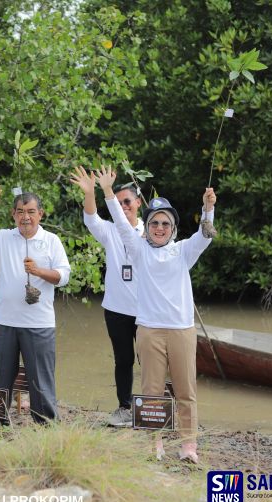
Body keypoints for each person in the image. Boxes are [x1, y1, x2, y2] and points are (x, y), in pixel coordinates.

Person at [99, 166, 216, 463]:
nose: (160, 228)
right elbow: (122, 225)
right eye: (154, 223)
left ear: (173, 227)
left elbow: (205, 236)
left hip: (181, 330)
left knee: (185, 390)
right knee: (151, 391)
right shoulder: (139, 250)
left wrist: (208, 209)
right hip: (149, 329)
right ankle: (155, 442)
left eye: (165, 223)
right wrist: (108, 192)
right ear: (147, 226)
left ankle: (189, 445)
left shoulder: (184, 251)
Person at [0, 185, 71, 424]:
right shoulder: (4, 237)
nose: (26, 216)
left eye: (31, 211)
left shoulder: (51, 241)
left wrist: (38, 271)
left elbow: (63, 276)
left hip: (39, 324)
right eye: (20, 211)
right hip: (4, 323)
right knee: (1, 377)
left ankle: (45, 424)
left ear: (41, 214)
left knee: (41, 380)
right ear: (13, 215)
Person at [70, 165, 143, 427]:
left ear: (138, 203)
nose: (123, 206)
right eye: (119, 202)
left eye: (128, 202)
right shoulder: (111, 231)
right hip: (116, 309)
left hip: (147, 310)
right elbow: (91, 219)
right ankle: (124, 407)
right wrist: (91, 192)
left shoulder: (153, 230)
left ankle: (154, 409)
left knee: (151, 361)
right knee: (123, 360)